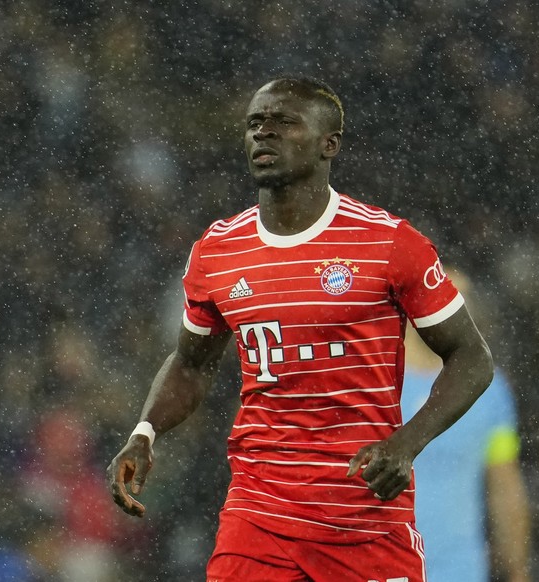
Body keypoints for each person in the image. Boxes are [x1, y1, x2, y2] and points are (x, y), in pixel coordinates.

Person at [108, 75, 494, 582]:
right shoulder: (219, 250)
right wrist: (145, 431)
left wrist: (406, 443)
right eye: (255, 123)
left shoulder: (388, 243)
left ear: (329, 144)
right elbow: (190, 362)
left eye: (284, 122)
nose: (263, 133)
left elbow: (471, 357)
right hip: (258, 519)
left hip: (362, 519)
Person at [400, 269, 530, 582]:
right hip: (383, 568)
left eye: (461, 298)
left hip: (460, 572)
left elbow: (505, 487)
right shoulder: (376, 381)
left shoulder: (490, 391)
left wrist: (518, 570)